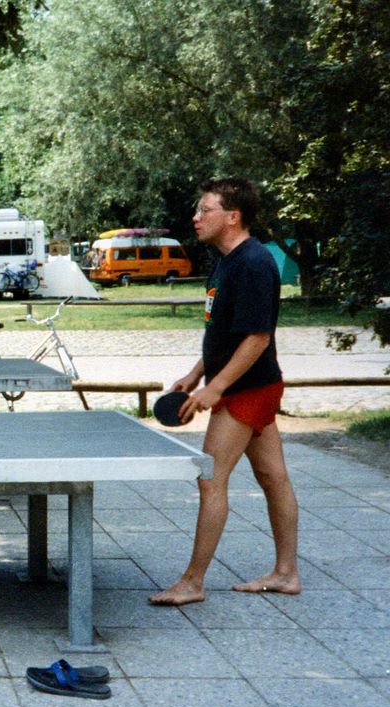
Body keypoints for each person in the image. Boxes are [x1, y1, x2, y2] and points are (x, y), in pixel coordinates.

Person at [148, 178, 299, 606]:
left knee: (210, 479)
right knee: (273, 476)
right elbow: (222, 331)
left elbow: (256, 339)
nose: (196, 217)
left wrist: (216, 387)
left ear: (232, 216)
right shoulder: (226, 261)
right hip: (245, 384)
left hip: (248, 389)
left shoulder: (253, 262)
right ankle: (286, 574)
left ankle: (193, 582)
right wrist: (196, 374)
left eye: (205, 209)